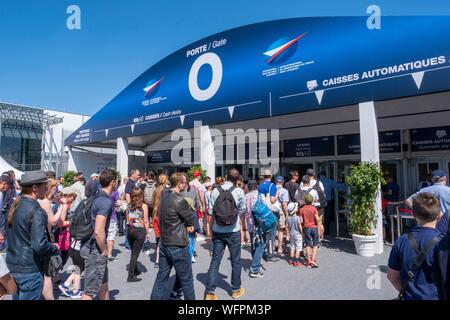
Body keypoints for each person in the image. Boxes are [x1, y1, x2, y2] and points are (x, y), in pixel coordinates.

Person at [5, 171, 59, 300]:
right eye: (44, 185)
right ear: (35, 188)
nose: (47, 188)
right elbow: (39, 245)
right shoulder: (36, 211)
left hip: (14, 264)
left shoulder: (14, 206)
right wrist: (53, 247)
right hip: (30, 268)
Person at [387, 193, 441, 300]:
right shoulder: (444, 243)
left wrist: (407, 292)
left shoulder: (401, 241)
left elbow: (392, 276)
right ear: (439, 216)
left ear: (412, 214)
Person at [150, 173, 195, 300]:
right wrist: (188, 224)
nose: (186, 185)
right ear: (179, 184)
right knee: (187, 280)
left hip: (164, 243)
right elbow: (191, 219)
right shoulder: (180, 200)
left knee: (161, 278)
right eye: (185, 183)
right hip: (178, 244)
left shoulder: (164, 196)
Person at [205, 169, 246, 300]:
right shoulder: (239, 191)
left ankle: (210, 293)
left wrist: (210, 231)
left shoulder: (215, 190)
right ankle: (235, 290)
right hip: (233, 231)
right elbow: (242, 209)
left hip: (218, 230)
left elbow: (210, 212)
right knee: (236, 261)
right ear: (237, 179)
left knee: (215, 260)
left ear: (225, 177)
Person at [80, 169, 117, 300]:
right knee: (89, 292)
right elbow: (98, 231)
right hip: (95, 250)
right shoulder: (105, 202)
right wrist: (105, 250)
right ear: (113, 182)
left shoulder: (96, 195)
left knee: (103, 284)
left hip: (89, 246)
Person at [38, 178, 70, 300]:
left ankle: (54, 281)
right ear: (50, 187)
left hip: (47, 233)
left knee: (48, 267)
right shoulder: (45, 201)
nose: (57, 188)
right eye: (55, 186)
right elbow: (53, 220)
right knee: (48, 269)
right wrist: (62, 206)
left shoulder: (46, 200)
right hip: (46, 234)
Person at [57, 186, 84, 299]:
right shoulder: (64, 206)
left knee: (77, 264)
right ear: (69, 195)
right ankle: (69, 286)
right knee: (76, 263)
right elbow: (60, 223)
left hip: (68, 236)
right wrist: (74, 221)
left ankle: (68, 284)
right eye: (74, 196)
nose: (75, 198)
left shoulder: (66, 205)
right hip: (66, 236)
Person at [406, 170, 450, 236]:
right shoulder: (448, 190)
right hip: (446, 224)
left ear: (432, 180)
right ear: (445, 179)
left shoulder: (424, 190)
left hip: (428, 223)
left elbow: (408, 200)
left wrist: (419, 210)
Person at [126, 188, 149, 282]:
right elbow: (146, 221)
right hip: (139, 231)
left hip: (130, 230)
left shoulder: (129, 206)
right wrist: (147, 232)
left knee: (133, 251)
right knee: (135, 254)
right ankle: (130, 276)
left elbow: (127, 219)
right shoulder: (144, 206)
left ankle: (135, 270)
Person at [258, 169, 278, 262]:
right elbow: (273, 200)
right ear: (271, 176)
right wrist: (277, 194)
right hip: (270, 212)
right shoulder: (272, 185)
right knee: (271, 234)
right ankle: (270, 255)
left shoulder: (260, 185)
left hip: (262, 212)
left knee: (264, 233)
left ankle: (263, 252)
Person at [181, 174, 201, 263]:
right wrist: (195, 209)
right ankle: (191, 253)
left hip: (183, 214)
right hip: (191, 213)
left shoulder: (180, 190)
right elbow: (197, 202)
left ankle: (188, 253)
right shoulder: (193, 189)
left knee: (187, 234)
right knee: (191, 235)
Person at [151, 174, 169, 268]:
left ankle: (157, 258)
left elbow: (153, 203)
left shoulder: (156, 190)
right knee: (165, 238)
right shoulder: (166, 191)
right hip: (164, 216)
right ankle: (162, 258)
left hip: (155, 215)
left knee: (158, 239)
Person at [300, 194, 320, 268]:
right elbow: (317, 219)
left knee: (307, 244)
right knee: (315, 244)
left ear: (305, 200)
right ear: (312, 201)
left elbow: (301, 220)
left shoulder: (302, 209)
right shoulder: (314, 208)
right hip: (314, 227)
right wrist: (318, 226)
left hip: (306, 228)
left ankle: (308, 261)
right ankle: (313, 259)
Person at [273, 176, 289, 255]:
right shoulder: (284, 191)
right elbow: (284, 203)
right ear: (283, 182)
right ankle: (279, 248)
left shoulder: (271, 188)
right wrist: (287, 214)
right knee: (280, 230)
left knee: (272, 230)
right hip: (280, 211)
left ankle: (271, 247)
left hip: (271, 211)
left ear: (275, 181)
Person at [318, 171, 337, 236]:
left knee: (319, 216)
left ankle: (319, 231)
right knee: (327, 216)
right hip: (328, 201)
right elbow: (338, 186)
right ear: (325, 175)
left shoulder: (317, 182)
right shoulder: (329, 181)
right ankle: (326, 231)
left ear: (320, 175)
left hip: (319, 202)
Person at [286, 202, 303, 267]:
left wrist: (288, 234)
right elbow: (300, 226)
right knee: (298, 248)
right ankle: (296, 261)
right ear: (295, 210)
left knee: (292, 247)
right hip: (298, 234)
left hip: (291, 234)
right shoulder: (297, 218)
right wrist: (302, 233)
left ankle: (291, 260)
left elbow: (287, 226)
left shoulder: (288, 218)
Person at [108, 183, 121, 261]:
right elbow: (119, 203)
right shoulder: (115, 192)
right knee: (111, 236)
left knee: (104, 235)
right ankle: (109, 254)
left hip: (103, 216)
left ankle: (102, 252)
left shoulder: (101, 191)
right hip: (112, 216)